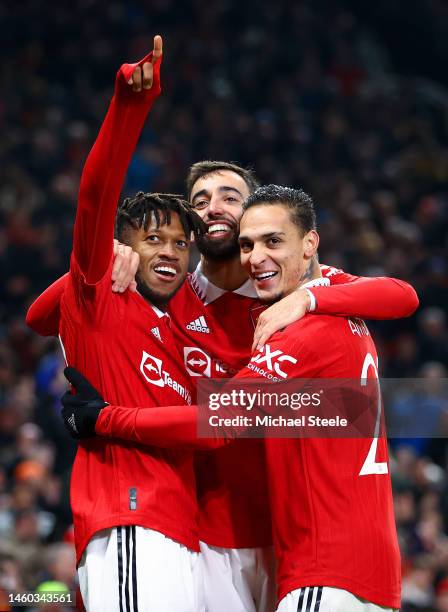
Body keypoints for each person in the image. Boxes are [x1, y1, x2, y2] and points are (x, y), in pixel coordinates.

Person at [27, 161, 418, 612]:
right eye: (200, 200)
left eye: (230, 197)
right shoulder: (170, 290)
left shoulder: (292, 288)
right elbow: (41, 320)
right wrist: (108, 253)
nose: (214, 207)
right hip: (209, 534)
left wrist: (311, 299)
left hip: (287, 534)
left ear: (251, 212)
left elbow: (401, 296)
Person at [48, 34, 208, 611]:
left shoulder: (176, 330)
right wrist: (130, 105)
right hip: (130, 522)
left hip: (183, 535)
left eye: (180, 243)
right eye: (153, 238)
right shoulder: (100, 294)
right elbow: (95, 195)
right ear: (121, 246)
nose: (169, 251)